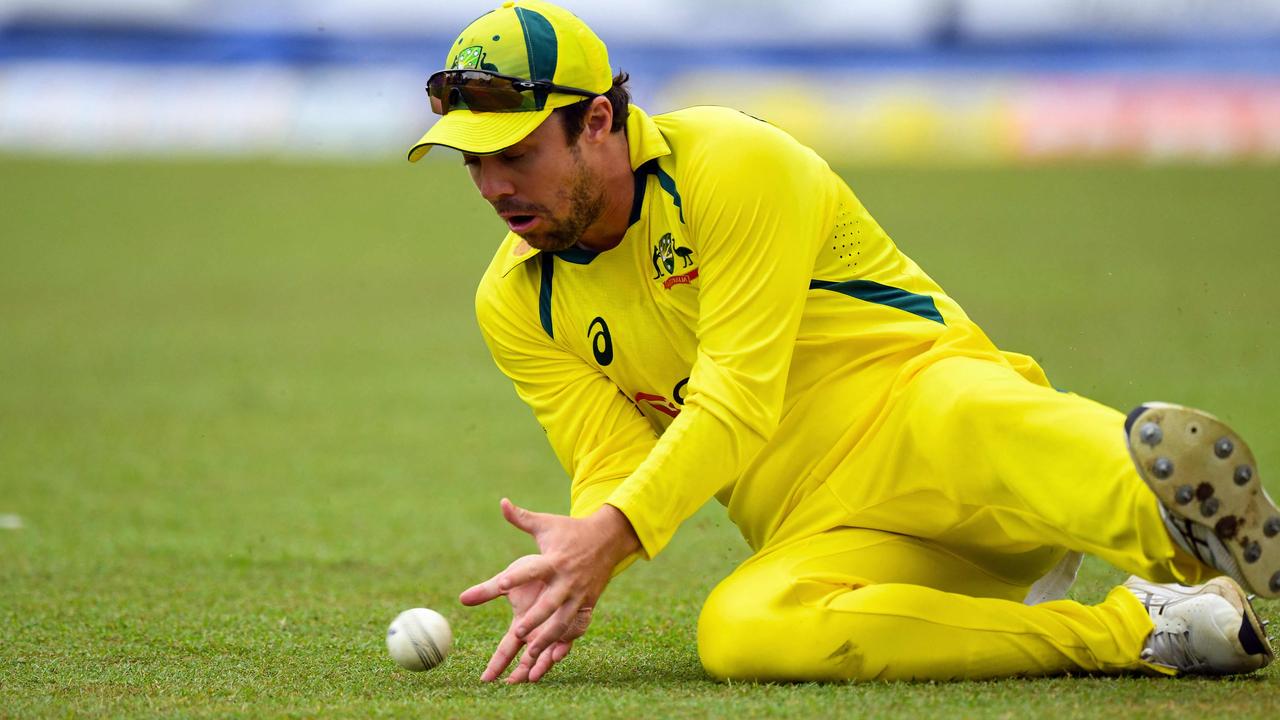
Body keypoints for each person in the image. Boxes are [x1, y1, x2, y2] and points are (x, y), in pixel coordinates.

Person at [407, 0, 1279, 684]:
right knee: (739, 631)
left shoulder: (730, 164)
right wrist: (579, 546)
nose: (490, 186)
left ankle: (1188, 526)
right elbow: (610, 459)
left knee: (976, 416)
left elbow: (737, 395)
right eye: (472, 163)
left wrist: (617, 527)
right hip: (838, 533)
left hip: (938, 422)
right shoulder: (514, 299)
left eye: (513, 155)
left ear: (597, 121)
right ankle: (1145, 630)